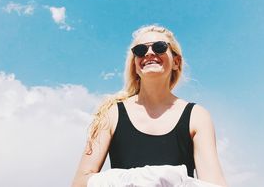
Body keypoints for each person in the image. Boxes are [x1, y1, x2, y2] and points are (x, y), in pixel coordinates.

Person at [72, 25, 227, 187]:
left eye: (159, 47)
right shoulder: (110, 113)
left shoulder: (197, 116)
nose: (149, 53)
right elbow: (79, 182)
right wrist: (140, 178)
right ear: (135, 64)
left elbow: (214, 183)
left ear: (176, 61)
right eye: (140, 50)